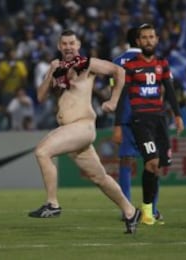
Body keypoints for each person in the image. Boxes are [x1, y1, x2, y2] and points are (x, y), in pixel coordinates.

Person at [27, 29, 141, 234]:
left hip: (82, 126)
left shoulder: (87, 63)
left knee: (42, 151)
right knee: (100, 178)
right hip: (71, 131)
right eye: (64, 44)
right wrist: (50, 73)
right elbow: (41, 97)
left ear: (78, 45)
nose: (68, 47)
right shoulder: (57, 67)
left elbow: (119, 72)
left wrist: (114, 101)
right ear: (59, 47)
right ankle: (131, 211)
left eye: (72, 43)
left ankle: (52, 204)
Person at [115, 23, 184, 225]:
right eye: (144, 37)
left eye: (151, 37)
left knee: (157, 166)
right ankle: (140, 210)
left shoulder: (163, 63)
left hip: (160, 120)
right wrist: (117, 124)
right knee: (150, 162)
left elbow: (169, 90)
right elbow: (121, 96)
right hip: (138, 120)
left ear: (157, 39)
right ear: (138, 41)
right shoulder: (129, 66)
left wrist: (178, 115)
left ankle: (149, 209)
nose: (148, 40)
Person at [111, 27, 163, 223]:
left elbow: (115, 93)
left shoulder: (117, 62)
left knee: (125, 163)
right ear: (139, 40)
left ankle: (127, 209)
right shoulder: (154, 62)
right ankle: (153, 209)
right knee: (153, 163)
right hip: (150, 119)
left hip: (126, 120)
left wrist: (117, 122)